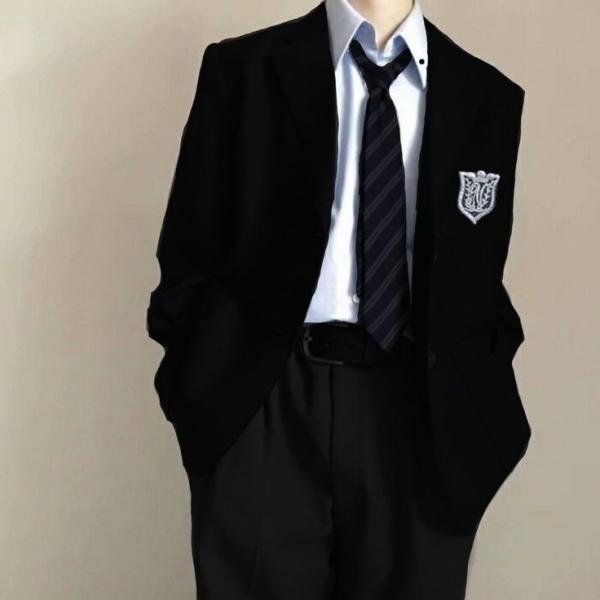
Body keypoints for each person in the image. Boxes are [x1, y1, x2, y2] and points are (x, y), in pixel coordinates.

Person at [146, 0, 531, 597]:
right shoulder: (245, 69)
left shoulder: (486, 95)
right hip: (268, 402)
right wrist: (202, 389)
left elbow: (478, 277)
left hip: (421, 414)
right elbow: (189, 249)